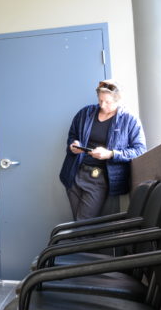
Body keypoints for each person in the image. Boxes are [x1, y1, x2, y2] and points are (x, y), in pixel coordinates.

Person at [58, 79, 146, 220]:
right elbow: (72, 135)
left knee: (83, 223)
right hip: (74, 172)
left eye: (107, 102)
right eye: (100, 101)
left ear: (118, 101)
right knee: (78, 223)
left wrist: (110, 154)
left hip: (99, 178)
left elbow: (140, 150)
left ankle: (79, 242)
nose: (102, 105)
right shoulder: (85, 113)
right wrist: (73, 144)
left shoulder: (130, 120)